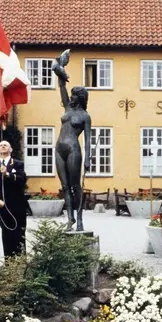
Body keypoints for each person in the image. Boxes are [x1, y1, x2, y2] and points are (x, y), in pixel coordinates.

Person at [53, 54, 93, 232]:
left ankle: (80, 218)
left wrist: (88, 158)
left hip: (73, 150)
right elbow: (62, 85)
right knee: (65, 186)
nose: (72, 96)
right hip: (59, 148)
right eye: (72, 94)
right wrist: (60, 68)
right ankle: (70, 219)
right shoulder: (67, 107)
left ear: (81, 98)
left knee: (76, 186)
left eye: (75, 95)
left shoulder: (85, 116)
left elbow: (88, 139)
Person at [0, 139, 29, 257]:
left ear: (10, 149)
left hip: (18, 207)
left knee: (19, 235)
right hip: (2, 207)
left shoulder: (18, 164)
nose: (3, 146)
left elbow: (22, 180)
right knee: (6, 235)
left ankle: (21, 263)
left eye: (6, 145)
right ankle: (9, 264)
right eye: (1, 145)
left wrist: (7, 174)